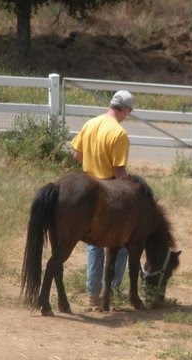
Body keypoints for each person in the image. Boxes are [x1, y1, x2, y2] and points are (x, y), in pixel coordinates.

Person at [70, 90, 135, 307]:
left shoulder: (90, 124)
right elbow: (119, 171)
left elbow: (77, 156)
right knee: (122, 242)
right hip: (109, 190)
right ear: (125, 109)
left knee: (92, 243)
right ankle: (113, 291)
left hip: (87, 187)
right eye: (129, 111)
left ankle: (92, 295)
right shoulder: (119, 134)